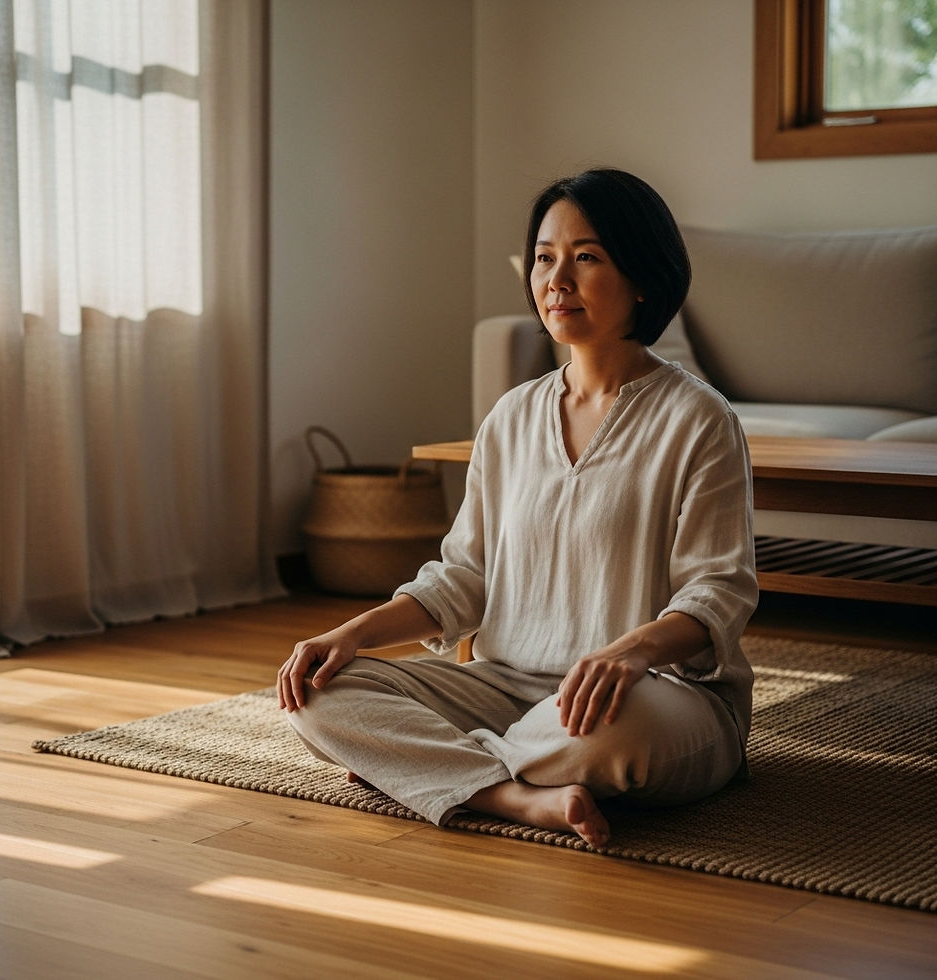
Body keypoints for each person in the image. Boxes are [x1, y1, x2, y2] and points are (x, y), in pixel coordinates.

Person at [277, 167, 758, 850]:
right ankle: (517, 797)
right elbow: (462, 577)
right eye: (543, 258)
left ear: (643, 274)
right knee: (317, 693)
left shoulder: (700, 420)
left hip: (654, 694)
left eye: (585, 258)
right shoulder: (510, 418)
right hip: (506, 688)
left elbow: (720, 590)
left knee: (611, 731)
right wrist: (352, 634)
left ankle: (426, 766)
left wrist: (628, 652)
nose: (556, 280)